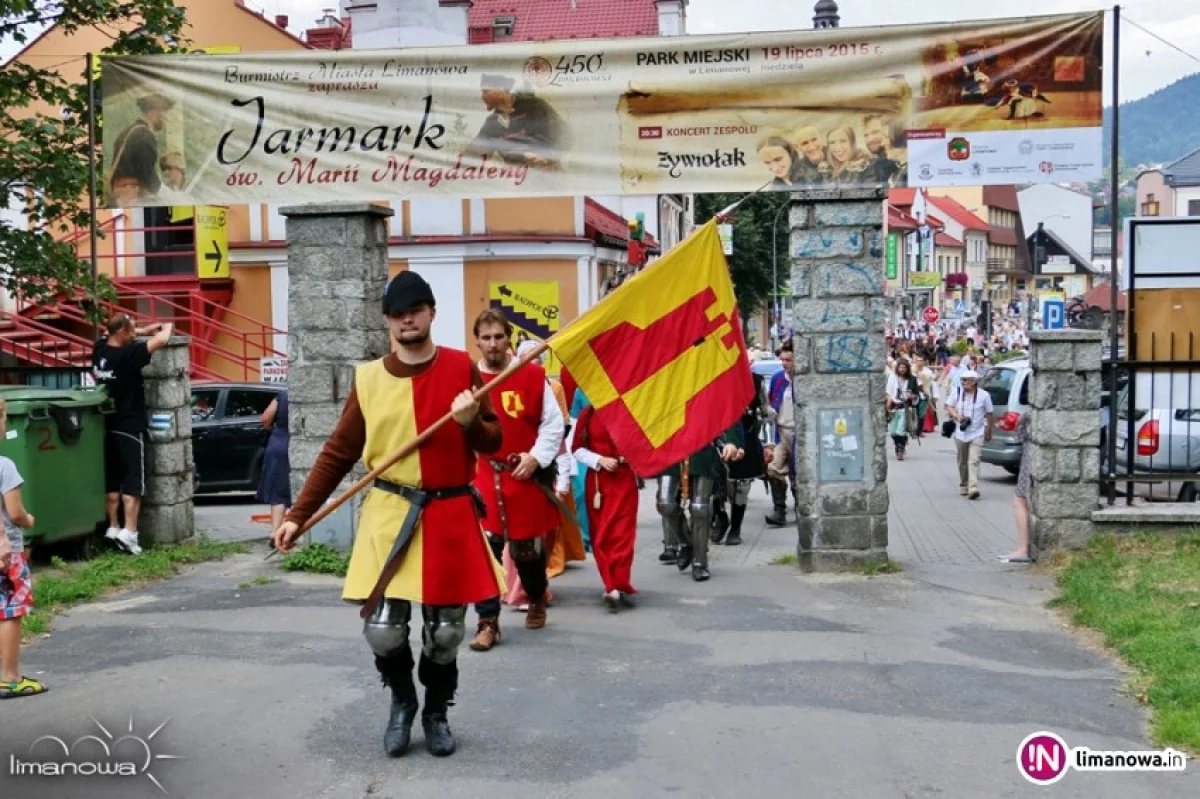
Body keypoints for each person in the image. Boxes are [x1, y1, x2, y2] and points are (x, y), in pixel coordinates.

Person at [271, 271, 506, 759]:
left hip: (449, 511)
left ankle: (436, 711)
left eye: (414, 312)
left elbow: (494, 439)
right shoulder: (370, 378)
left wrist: (468, 425)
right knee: (383, 629)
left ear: (431, 313)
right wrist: (298, 514)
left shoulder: (464, 368)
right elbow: (338, 452)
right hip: (390, 511)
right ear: (387, 322)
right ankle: (403, 702)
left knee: (445, 632)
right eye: (398, 315)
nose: (406, 322)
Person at [468, 309, 564, 651]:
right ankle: (488, 622)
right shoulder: (468, 381)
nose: (493, 343)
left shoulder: (532, 376)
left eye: (499, 336)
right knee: (486, 555)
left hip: (523, 478)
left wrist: (535, 457)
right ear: (477, 340)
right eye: (486, 337)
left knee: (528, 554)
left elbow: (553, 424)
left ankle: (536, 596)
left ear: (508, 338)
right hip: (484, 480)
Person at [92, 315, 174, 555]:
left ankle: (113, 528)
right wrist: (166, 326)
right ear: (123, 332)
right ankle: (130, 533)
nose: (134, 334)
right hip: (129, 425)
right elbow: (162, 340)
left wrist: (141, 329)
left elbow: (117, 333)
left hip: (106, 424)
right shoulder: (129, 356)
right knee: (133, 483)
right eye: (131, 331)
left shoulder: (100, 349)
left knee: (113, 480)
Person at [571, 399, 640, 610]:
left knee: (623, 534)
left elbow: (644, 445)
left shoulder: (631, 410)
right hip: (599, 483)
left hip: (625, 480)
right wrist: (599, 460)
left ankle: (619, 581)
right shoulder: (588, 414)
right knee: (601, 534)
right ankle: (609, 584)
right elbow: (577, 449)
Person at [656, 427, 744, 582]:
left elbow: (726, 409)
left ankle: (700, 562)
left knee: (700, 508)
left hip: (701, 447)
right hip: (669, 447)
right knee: (665, 504)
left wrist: (731, 441)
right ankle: (686, 543)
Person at [0, 398, 44, 699]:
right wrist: (28, 520)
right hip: (8, 554)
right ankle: (10, 677)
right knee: (10, 612)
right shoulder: (5, 466)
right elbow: (15, 513)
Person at [468, 74, 572, 168]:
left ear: (500, 89)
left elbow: (565, 135)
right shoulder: (491, 124)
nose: (482, 97)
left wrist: (547, 158)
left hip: (551, 179)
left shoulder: (535, 107)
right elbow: (472, 155)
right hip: (520, 184)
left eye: (485, 91)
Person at [715, 372, 767, 546]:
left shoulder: (756, 381)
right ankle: (721, 517)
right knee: (714, 484)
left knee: (741, 487)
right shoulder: (711, 376)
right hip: (717, 435)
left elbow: (765, 413)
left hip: (747, 433)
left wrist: (769, 444)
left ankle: (735, 528)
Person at [109, 93, 174, 203]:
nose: (166, 118)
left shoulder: (127, 132)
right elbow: (148, 175)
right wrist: (171, 197)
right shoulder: (145, 135)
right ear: (154, 112)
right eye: (164, 112)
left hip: (120, 195)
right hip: (134, 197)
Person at [946, 369, 995, 500]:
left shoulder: (984, 395)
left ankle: (973, 487)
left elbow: (990, 413)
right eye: (962, 379)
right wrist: (956, 415)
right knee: (962, 461)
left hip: (977, 432)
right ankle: (964, 485)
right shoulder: (956, 392)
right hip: (960, 433)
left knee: (973, 460)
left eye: (966, 380)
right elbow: (948, 406)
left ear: (974, 382)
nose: (963, 382)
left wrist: (989, 430)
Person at [765, 342, 796, 526]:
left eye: (788, 360)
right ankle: (779, 510)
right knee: (773, 468)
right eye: (782, 359)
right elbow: (770, 407)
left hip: (800, 433)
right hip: (782, 432)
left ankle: (802, 507)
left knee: (798, 473)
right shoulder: (777, 378)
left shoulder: (802, 380)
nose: (784, 363)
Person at [256, 390, 291, 535]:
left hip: (279, 442)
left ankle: (275, 532)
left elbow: (265, 419)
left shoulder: (283, 395)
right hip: (300, 442)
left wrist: (275, 430)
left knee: (278, 491)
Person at [1003, 405, 1034, 564]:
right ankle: (1025, 546)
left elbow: (1020, 432)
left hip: (1030, 455)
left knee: (1019, 499)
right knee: (1025, 499)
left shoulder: (1031, 412)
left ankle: (1023, 548)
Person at [886, 359, 920, 460]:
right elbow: (888, 392)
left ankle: (900, 450)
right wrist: (889, 403)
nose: (902, 369)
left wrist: (911, 396)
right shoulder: (892, 377)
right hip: (894, 406)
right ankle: (899, 445)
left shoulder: (912, 379)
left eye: (904, 368)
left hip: (906, 407)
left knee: (901, 430)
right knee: (892, 431)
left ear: (907, 368)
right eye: (900, 367)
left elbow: (917, 395)